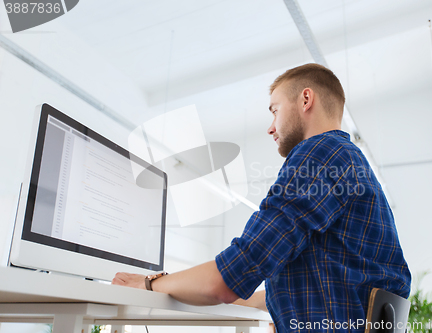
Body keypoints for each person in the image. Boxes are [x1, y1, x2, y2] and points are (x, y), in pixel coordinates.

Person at [112, 63, 411, 332]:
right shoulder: (351, 162)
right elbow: (322, 282)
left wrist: (150, 283)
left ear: (306, 100)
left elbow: (230, 276)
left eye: (275, 110)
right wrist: (251, 300)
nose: (270, 127)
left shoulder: (318, 154)